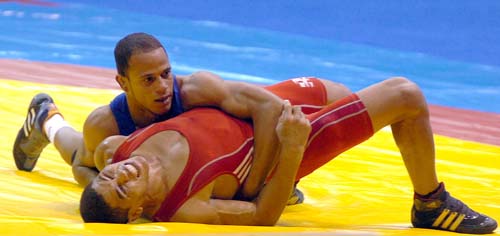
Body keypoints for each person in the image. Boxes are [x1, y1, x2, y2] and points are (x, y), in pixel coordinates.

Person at [80, 77, 497, 234]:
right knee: (405, 96)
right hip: (288, 136)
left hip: (276, 100)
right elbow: (263, 217)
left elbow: (91, 164)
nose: (122, 173)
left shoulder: (114, 149)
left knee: (330, 90)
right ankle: (430, 202)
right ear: (136, 213)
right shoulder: (185, 207)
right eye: (122, 187)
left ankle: (48, 122)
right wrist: (294, 147)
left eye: (110, 175)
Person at [11, 31, 349, 202]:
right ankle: (47, 119)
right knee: (85, 152)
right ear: (122, 82)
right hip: (117, 144)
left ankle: (46, 117)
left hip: (236, 160)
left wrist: (253, 187)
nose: (162, 87)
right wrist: (107, 189)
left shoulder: (196, 90)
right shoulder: (107, 124)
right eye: (148, 80)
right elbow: (81, 168)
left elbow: (266, 108)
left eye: (166, 73)